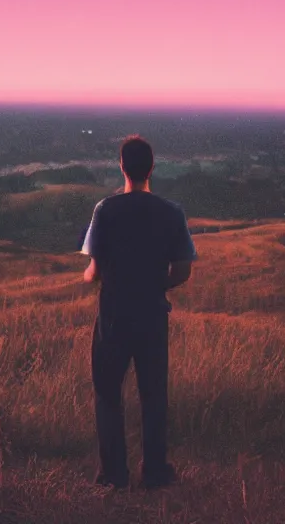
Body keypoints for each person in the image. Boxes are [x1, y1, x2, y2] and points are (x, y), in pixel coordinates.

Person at [80, 135, 197, 490]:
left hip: (114, 314)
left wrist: (88, 276)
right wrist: (156, 285)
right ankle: (156, 470)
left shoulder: (105, 210)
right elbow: (182, 270)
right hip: (152, 314)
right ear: (151, 169)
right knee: (153, 394)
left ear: (121, 166)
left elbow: (95, 271)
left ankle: (114, 474)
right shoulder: (171, 212)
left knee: (108, 392)